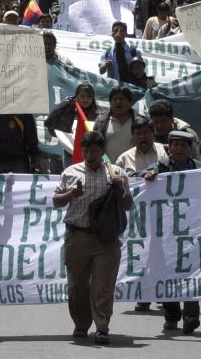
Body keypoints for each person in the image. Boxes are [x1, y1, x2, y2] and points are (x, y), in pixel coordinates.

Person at [53, 130, 133, 346]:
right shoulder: (71, 172)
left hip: (106, 239)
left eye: (95, 150)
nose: (90, 154)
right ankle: (81, 324)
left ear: (102, 151)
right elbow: (56, 201)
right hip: (77, 236)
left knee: (103, 286)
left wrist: (119, 188)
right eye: (86, 150)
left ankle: (102, 327)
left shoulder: (116, 174)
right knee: (77, 286)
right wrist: (71, 194)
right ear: (82, 151)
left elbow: (128, 204)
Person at [143, 129, 201, 334]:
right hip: (164, 231)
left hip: (191, 229)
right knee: (165, 272)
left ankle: (191, 316)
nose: (178, 148)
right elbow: (141, 176)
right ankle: (172, 315)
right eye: (175, 145)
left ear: (190, 149)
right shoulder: (160, 168)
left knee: (192, 272)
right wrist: (149, 176)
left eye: (183, 145)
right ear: (169, 148)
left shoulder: (200, 170)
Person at [93, 85, 151, 163]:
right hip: (107, 167)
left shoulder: (140, 122)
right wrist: (107, 164)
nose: (118, 102)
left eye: (122, 99)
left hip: (133, 168)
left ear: (129, 102)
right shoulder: (100, 122)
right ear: (110, 102)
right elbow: (96, 146)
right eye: (115, 99)